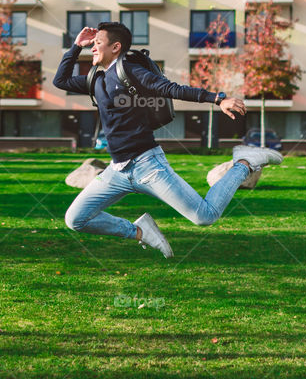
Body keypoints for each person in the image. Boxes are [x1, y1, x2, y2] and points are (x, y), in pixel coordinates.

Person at [53, 22, 284, 258]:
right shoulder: (97, 80)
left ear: (116, 47)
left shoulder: (129, 71)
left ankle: (244, 163)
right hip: (117, 171)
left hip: (148, 167)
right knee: (76, 219)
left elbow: (170, 88)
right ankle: (140, 232)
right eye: (91, 45)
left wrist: (217, 99)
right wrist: (75, 46)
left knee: (204, 216)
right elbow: (60, 81)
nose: (92, 48)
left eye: (97, 43)